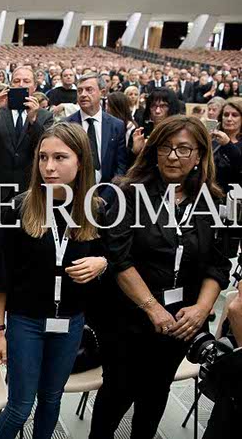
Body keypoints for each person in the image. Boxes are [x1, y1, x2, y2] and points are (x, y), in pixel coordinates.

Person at [89, 115, 231, 439]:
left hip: (180, 322)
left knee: (155, 394)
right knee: (117, 393)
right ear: (153, 150)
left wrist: (201, 310)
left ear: (199, 156)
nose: (172, 156)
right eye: (165, 147)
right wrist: (153, 308)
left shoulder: (214, 201)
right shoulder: (128, 193)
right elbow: (119, 259)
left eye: (183, 149)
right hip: (127, 317)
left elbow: (218, 266)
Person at [0, 121, 107, 439]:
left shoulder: (98, 210)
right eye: (43, 157)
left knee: (51, 398)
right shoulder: (19, 209)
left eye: (60, 158)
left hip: (71, 322)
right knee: (20, 406)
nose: (49, 167)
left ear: (81, 161)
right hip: (26, 321)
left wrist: (102, 262)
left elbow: (117, 258)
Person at [0, 66, 54, 224]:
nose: (21, 84)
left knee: (26, 240)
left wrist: (34, 120)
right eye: (16, 81)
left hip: (29, 189)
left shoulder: (45, 116)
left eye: (26, 81)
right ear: (10, 85)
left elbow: (44, 149)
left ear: (34, 87)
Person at [66, 74, 127, 203]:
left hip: (107, 198)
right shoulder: (66, 125)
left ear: (102, 92)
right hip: (74, 197)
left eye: (89, 90)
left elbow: (120, 167)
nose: (83, 94)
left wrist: (105, 198)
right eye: (79, 90)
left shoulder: (116, 126)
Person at [212, 97, 242, 193]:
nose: (229, 119)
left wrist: (227, 144)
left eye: (234, 115)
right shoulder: (212, 141)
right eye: (226, 115)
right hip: (210, 195)